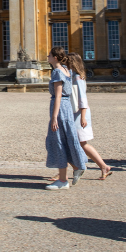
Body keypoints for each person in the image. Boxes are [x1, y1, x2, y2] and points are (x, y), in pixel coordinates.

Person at [44, 47, 87, 190]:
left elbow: (58, 96)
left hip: (60, 108)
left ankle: (63, 181)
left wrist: (54, 117)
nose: (47, 57)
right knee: (66, 140)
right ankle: (76, 166)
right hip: (66, 107)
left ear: (55, 57)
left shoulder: (57, 72)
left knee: (59, 141)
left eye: (49, 55)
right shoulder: (66, 70)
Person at [68, 53, 112, 181]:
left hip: (80, 114)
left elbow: (83, 99)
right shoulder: (73, 76)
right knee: (77, 143)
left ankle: (103, 166)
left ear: (72, 63)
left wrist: (82, 117)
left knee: (81, 143)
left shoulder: (78, 78)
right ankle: (103, 167)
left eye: (67, 61)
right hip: (76, 113)